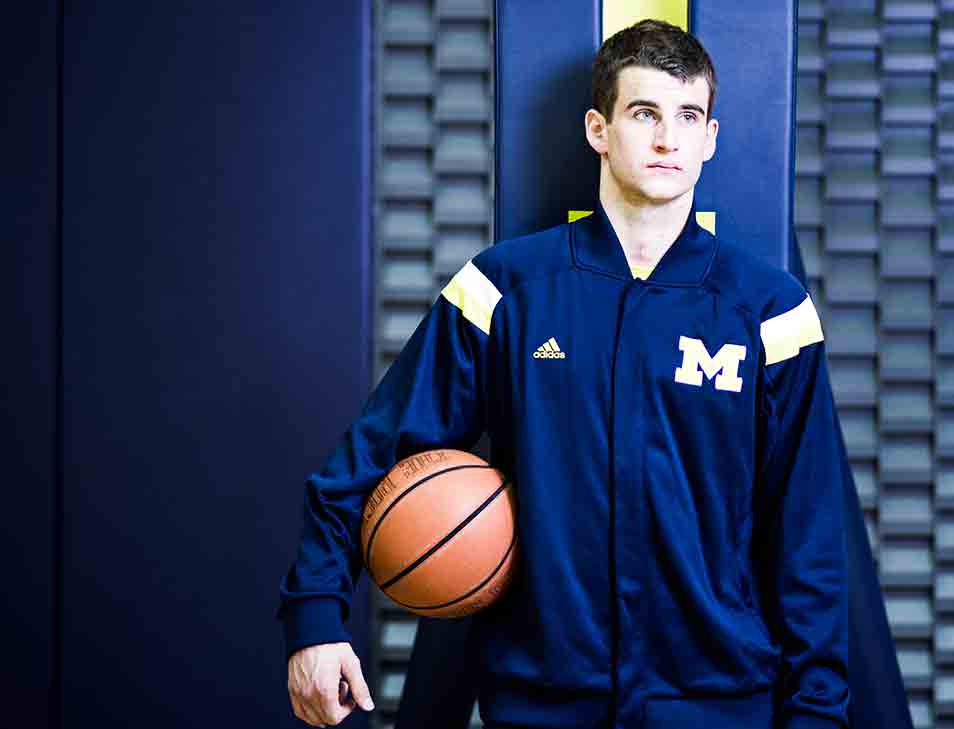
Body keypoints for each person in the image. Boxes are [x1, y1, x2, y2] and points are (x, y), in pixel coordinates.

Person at [281, 20, 854, 729]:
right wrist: (315, 616)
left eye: (688, 117)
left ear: (710, 137)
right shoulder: (505, 288)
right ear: (598, 129)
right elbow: (368, 455)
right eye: (644, 114)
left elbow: (810, 540)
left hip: (718, 702)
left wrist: (819, 715)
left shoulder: (770, 311)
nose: (668, 139)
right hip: (541, 702)